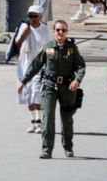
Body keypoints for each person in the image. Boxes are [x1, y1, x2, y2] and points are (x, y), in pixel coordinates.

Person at [21, 19, 85, 159]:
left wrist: (77, 80)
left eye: (63, 30)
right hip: (50, 86)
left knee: (67, 119)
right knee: (48, 117)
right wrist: (24, 81)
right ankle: (46, 149)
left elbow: (80, 66)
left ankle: (68, 147)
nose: (60, 32)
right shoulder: (48, 47)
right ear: (54, 32)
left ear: (67, 32)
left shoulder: (72, 48)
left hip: (67, 87)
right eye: (58, 30)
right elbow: (36, 65)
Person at [14, 5, 52, 133]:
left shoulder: (45, 30)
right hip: (25, 64)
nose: (32, 19)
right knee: (27, 94)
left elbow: (51, 48)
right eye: (30, 16)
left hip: (39, 65)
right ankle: (33, 122)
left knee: (36, 92)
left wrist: (50, 64)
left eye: (35, 16)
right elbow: (17, 46)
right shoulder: (24, 28)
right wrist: (24, 34)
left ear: (40, 16)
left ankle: (39, 121)